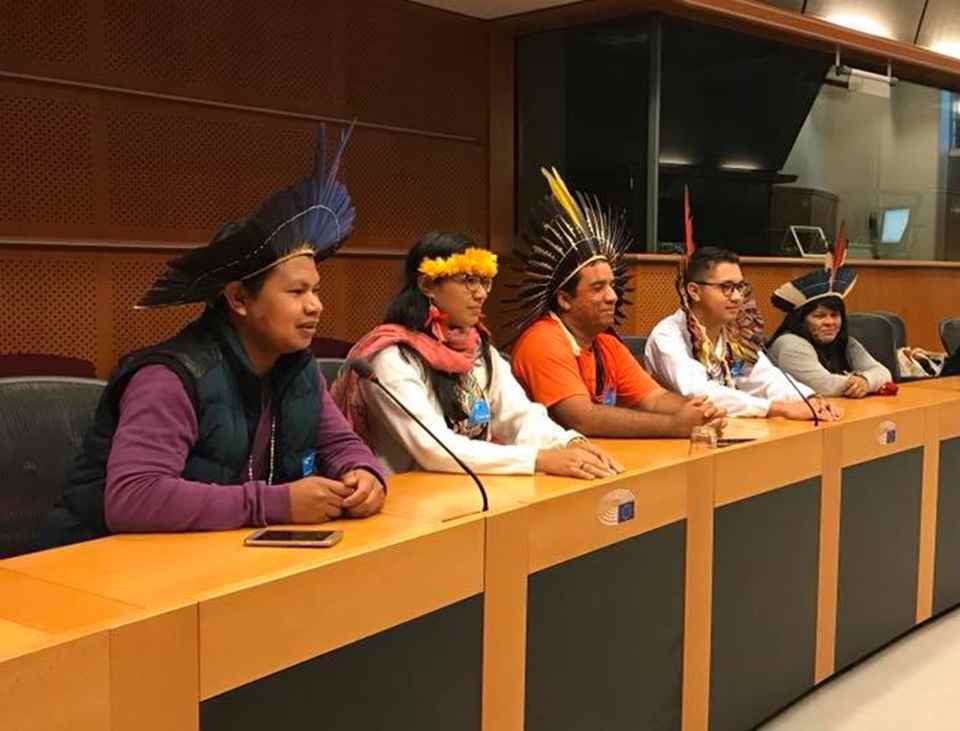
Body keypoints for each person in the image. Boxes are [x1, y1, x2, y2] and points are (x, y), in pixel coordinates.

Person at [38, 126, 385, 548]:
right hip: (98, 562)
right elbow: (133, 497)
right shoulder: (170, 377)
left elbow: (340, 443)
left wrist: (362, 473)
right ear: (238, 298)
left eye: (315, 290)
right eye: (297, 292)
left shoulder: (298, 368)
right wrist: (274, 503)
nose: (315, 306)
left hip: (213, 557)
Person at [331, 232, 621, 480]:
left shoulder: (478, 349)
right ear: (427, 285)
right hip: (407, 503)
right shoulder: (393, 357)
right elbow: (434, 449)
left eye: (484, 282)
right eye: (468, 280)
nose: (481, 294)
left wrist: (567, 442)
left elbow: (519, 415)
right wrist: (538, 459)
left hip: (471, 489)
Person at [507, 168, 725, 438]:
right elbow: (581, 419)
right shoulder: (543, 340)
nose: (612, 296)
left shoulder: (605, 344)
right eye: (598, 287)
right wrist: (674, 426)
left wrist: (700, 412)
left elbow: (654, 398)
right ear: (564, 299)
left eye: (611, 285)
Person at [645, 244, 839, 420]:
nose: (738, 297)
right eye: (726, 287)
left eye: (740, 287)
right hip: (680, 438)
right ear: (694, 291)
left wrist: (808, 398)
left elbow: (766, 379)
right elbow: (699, 393)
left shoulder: (735, 332)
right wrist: (775, 408)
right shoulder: (667, 336)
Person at [766, 238, 893, 397]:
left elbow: (884, 373)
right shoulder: (790, 343)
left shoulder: (846, 343)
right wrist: (860, 382)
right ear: (800, 320)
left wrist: (866, 381)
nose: (830, 322)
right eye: (819, 316)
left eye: (835, 315)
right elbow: (824, 385)